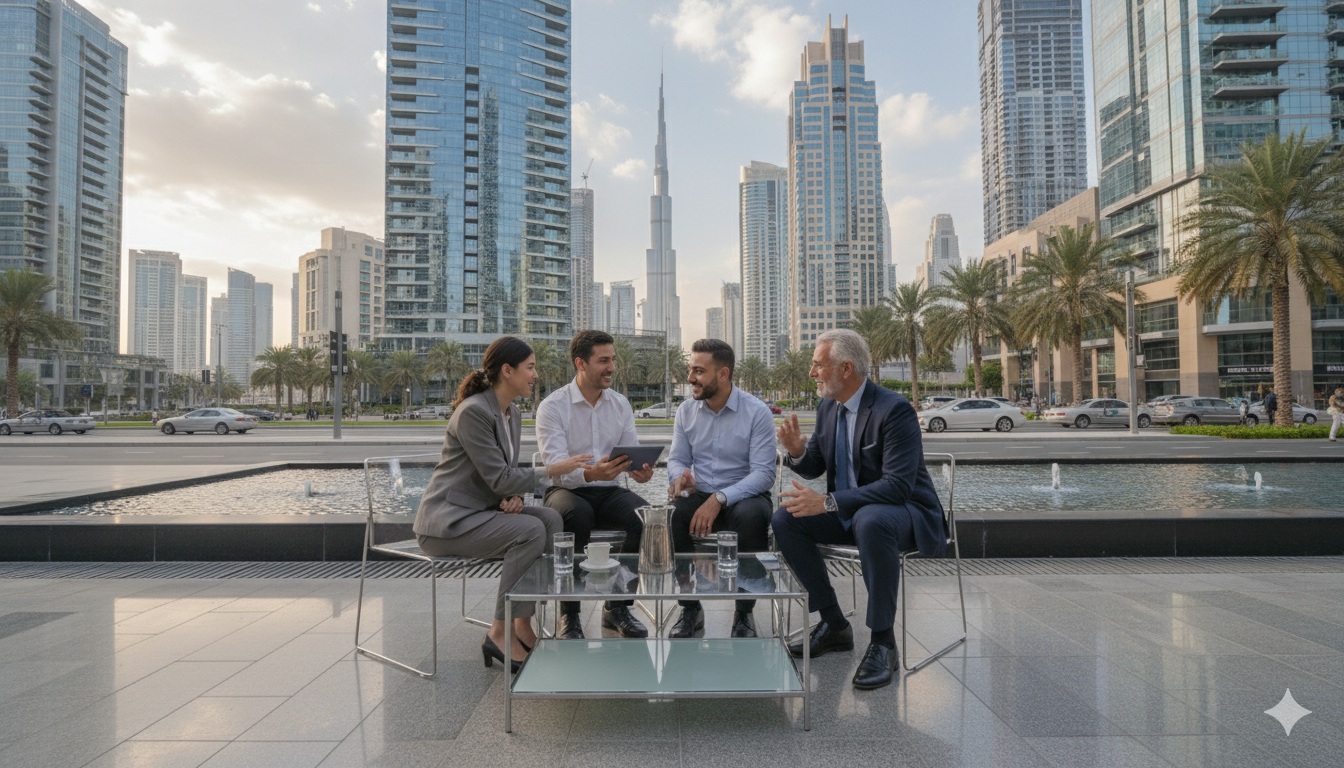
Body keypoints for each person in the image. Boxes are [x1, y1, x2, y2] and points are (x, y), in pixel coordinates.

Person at [772, 328, 947, 691]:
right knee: (785, 518)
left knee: (871, 520)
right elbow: (816, 465)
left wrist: (830, 502)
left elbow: (897, 486)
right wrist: (796, 451)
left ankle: (883, 642)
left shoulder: (894, 410)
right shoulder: (828, 407)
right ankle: (835, 624)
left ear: (846, 368)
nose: (812, 373)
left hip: (905, 511)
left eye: (818, 365)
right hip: (852, 511)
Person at [413, 336, 591, 672]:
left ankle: (521, 621)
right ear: (507, 371)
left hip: (481, 512)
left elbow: (501, 477)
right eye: (530, 367)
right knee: (528, 531)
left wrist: (510, 498)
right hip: (446, 523)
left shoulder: (511, 414)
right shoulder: (473, 413)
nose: (535, 374)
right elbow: (499, 476)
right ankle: (498, 630)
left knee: (551, 520)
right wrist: (552, 469)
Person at [536, 330, 655, 639]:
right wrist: (590, 474)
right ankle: (570, 614)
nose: (611, 367)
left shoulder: (620, 404)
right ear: (581, 364)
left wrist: (639, 470)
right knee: (576, 515)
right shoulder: (553, 406)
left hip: (609, 489)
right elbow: (555, 467)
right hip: (566, 490)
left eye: (613, 359)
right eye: (603, 361)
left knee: (645, 517)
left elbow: (628, 455)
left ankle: (617, 606)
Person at [666, 338, 777, 639]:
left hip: (746, 496)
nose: (690, 378)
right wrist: (679, 478)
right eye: (691, 370)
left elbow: (765, 474)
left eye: (699, 371)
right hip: (699, 495)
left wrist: (720, 498)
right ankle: (690, 608)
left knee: (752, 517)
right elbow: (677, 459)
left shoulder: (757, 413)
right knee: (673, 515)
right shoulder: (686, 412)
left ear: (723, 374)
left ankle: (744, 613)